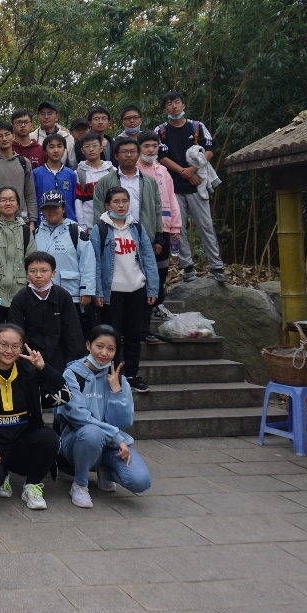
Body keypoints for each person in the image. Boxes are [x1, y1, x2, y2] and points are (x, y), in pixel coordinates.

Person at [56, 325, 152, 508]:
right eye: (99, 346)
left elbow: (123, 421)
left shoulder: (118, 378)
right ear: (88, 345)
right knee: (92, 432)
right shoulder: (72, 374)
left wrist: (116, 392)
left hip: (109, 445)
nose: (104, 353)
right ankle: (80, 484)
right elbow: (77, 416)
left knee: (140, 481)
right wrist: (116, 438)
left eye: (110, 349)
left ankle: (104, 470)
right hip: (77, 440)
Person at [0, 323, 64, 509]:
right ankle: (2, 475)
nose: (9, 351)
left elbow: (63, 394)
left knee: (49, 438)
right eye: (3, 344)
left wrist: (43, 368)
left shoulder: (29, 371)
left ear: (22, 347)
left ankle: (32, 485)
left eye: (15, 346)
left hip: (22, 443)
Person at [91, 186, 159, 393]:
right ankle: (114, 375)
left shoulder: (136, 227)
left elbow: (148, 258)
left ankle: (132, 375)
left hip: (136, 289)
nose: (121, 206)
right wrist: (98, 292)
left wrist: (152, 288)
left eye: (124, 201)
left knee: (134, 335)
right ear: (107, 205)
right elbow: (94, 262)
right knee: (112, 337)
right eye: (116, 202)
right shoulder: (100, 229)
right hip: (112, 292)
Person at [154, 92, 226, 283]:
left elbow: (209, 151)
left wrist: (192, 169)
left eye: (177, 102)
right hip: (172, 187)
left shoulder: (197, 126)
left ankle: (216, 265)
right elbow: (160, 156)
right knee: (178, 228)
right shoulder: (160, 130)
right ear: (165, 108)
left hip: (197, 184)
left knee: (206, 225)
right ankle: (187, 267)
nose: (174, 106)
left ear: (183, 105)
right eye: (169, 103)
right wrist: (183, 172)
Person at [33, 191, 98, 332]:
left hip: (72, 296)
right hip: (43, 295)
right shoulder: (36, 233)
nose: (51, 211)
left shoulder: (75, 230)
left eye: (55, 207)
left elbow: (88, 261)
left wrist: (86, 291)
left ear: (63, 208)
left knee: (74, 336)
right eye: (47, 207)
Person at [7, 251, 85, 367]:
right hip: (30, 358)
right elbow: (16, 334)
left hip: (60, 357)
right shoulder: (20, 299)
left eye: (44, 271)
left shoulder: (63, 296)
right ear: (27, 273)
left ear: (53, 273)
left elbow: (73, 332)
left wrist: (73, 363)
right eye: (33, 271)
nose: (38, 275)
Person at [137, 133, 181, 316]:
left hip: (163, 227)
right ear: (139, 148)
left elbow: (172, 198)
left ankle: (158, 303)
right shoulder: (134, 170)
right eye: (146, 146)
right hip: (142, 228)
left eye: (154, 146)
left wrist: (175, 226)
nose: (150, 150)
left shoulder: (163, 170)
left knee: (161, 267)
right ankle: (140, 304)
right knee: (141, 267)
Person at [0, 186, 32, 331]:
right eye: (3, 200)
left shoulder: (25, 229)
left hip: (20, 291)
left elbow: (31, 260)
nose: (8, 203)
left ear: (18, 203)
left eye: (12, 200)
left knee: (18, 333)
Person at [0, 122, 38, 224]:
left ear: (13, 136)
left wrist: (32, 220)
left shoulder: (24, 162)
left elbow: (30, 193)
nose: (4, 139)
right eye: (0, 136)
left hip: (22, 220)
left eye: (7, 134)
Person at [74, 132, 115, 232]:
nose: (91, 149)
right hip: (90, 228)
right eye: (87, 146)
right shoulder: (79, 174)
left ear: (101, 148)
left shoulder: (112, 171)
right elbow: (78, 202)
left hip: (113, 225)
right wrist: (82, 225)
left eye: (95, 145)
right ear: (82, 150)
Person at [33, 132, 78, 223]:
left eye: (59, 146)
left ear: (64, 149)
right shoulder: (36, 174)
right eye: (51, 147)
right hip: (43, 222)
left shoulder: (71, 174)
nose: (56, 150)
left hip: (68, 222)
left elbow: (75, 201)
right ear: (45, 150)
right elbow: (33, 200)